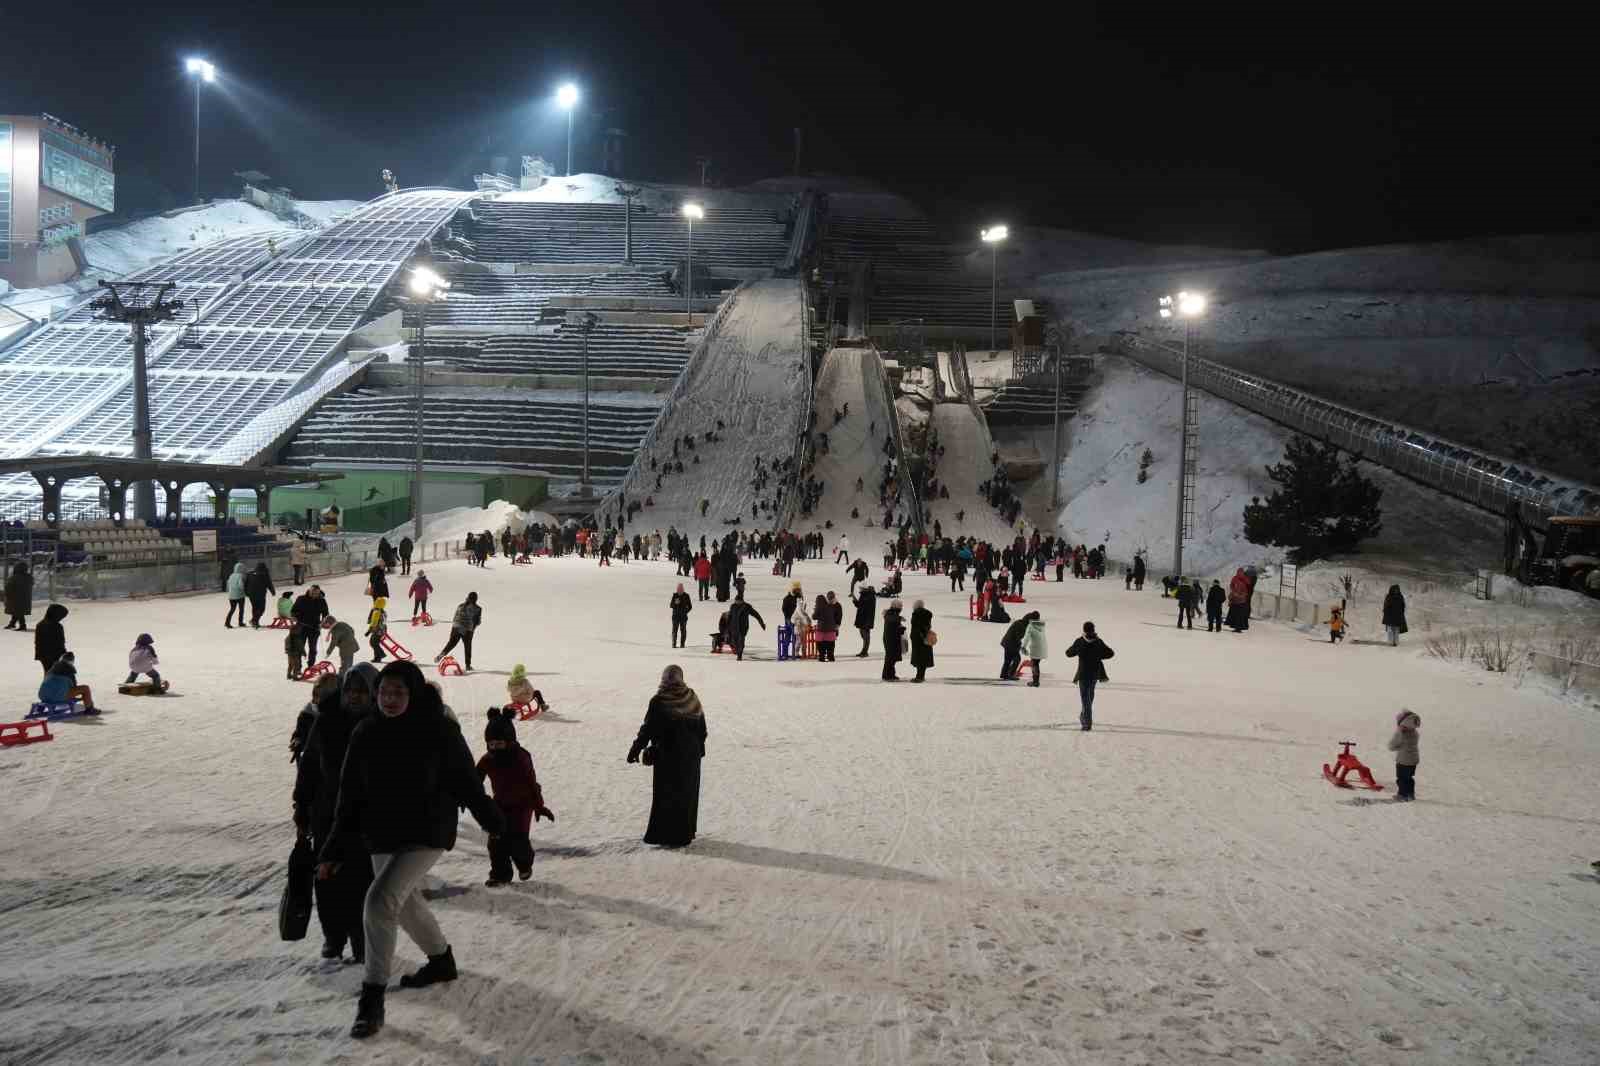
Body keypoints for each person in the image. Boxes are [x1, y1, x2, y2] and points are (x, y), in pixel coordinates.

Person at [294, 663, 380, 964]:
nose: (355, 697)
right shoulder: (327, 721)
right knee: (327, 881)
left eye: (362, 692)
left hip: (366, 820)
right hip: (327, 814)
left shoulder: (381, 725)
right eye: (350, 691)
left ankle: (360, 940)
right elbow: (308, 769)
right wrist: (301, 808)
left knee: (361, 883)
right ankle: (334, 936)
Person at [626, 664, 708, 848]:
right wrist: (700, 749)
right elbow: (702, 728)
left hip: (668, 755)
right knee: (686, 794)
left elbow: (647, 729)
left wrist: (635, 749)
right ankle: (684, 833)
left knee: (667, 795)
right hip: (691, 756)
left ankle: (664, 835)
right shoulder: (691, 697)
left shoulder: (659, 701)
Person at [478, 708, 555, 886]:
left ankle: (524, 864)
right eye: (492, 744)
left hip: (523, 805)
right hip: (500, 804)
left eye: (499, 744)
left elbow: (531, 784)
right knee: (496, 842)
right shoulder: (488, 759)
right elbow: (475, 778)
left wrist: (539, 806)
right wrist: (467, 795)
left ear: (509, 741)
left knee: (517, 841)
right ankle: (500, 875)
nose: (495, 748)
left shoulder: (521, 758)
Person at [1065, 622, 1113, 730]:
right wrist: (1098, 655)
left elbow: (1068, 653)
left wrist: (1078, 651)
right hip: (1095, 673)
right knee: (1089, 696)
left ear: (1084, 630)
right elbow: (1110, 653)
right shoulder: (1098, 642)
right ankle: (1084, 716)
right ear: (1093, 629)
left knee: (1085, 698)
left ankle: (1087, 722)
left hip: (1083, 673)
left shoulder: (1080, 641)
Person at [434, 592, 482, 671]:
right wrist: (472, 628)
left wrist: (455, 626)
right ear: (476, 599)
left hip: (456, 626)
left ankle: (442, 654)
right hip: (467, 629)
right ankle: (468, 665)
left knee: (451, 643)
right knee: (467, 647)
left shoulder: (460, 605)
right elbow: (477, 621)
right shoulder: (478, 608)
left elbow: (455, 616)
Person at [1388, 709, 1421, 801]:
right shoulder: (1414, 732)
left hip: (1403, 761)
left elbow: (1392, 746)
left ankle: (1402, 795)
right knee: (1409, 778)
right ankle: (1410, 794)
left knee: (1401, 779)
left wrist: (1398, 732)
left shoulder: (1402, 734)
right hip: (1413, 761)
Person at [293, 587, 329, 664]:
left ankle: (311, 665)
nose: (314, 595)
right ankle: (297, 667)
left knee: (313, 648)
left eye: (316, 594)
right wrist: (295, 617)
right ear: (309, 591)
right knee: (299, 648)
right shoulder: (301, 599)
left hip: (314, 628)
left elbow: (325, 614)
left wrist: (323, 623)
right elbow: (293, 610)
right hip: (301, 627)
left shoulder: (321, 601)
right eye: (312, 593)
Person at [727, 595, 766, 661]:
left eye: (738, 601)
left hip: (743, 627)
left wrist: (761, 623)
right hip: (734, 627)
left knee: (741, 641)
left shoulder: (746, 607)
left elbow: (756, 614)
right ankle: (738, 651)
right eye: (736, 601)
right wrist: (728, 626)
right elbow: (730, 616)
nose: (736, 602)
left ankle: (739, 655)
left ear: (741, 601)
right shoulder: (733, 606)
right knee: (734, 642)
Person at [1000, 611, 1036, 681]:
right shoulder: (1021, 625)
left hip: (1007, 642)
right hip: (1010, 643)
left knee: (1008, 660)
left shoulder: (1020, 623)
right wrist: (1020, 647)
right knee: (1017, 659)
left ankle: (1004, 674)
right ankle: (1010, 674)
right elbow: (1017, 637)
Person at [34, 603, 68, 675]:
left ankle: (47, 684)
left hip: (42, 654)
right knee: (54, 673)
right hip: (54, 654)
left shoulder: (40, 624)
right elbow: (60, 642)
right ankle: (51, 685)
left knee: (48, 672)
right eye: (61, 617)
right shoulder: (57, 626)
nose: (61, 619)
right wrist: (64, 653)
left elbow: (38, 641)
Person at [909, 599, 934, 683]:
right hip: (926, 638)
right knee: (924, 658)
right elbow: (927, 625)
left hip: (918, 639)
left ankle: (919, 677)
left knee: (919, 658)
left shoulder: (916, 614)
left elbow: (915, 626)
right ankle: (921, 676)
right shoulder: (927, 614)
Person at [245, 561, 276, 628]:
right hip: (260, 594)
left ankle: (255, 621)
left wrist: (246, 592)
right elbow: (269, 583)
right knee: (261, 609)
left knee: (255, 608)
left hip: (251, 594)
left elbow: (246, 584)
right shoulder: (264, 574)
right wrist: (272, 591)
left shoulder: (250, 574)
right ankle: (254, 620)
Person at [881, 600, 905, 681]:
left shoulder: (893, 613)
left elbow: (893, 626)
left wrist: (901, 629)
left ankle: (891, 674)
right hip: (890, 639)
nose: (901, 609)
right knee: (890, 658)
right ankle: (887, 675)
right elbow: (891, 620)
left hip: (892, 639)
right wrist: (899, 618)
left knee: (892, 658)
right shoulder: (890, 613)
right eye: (900, 607)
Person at [850, 584, 877, 658]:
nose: (860, 590)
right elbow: (859, 605)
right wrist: (854, 598)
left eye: (861, 588)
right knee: (863, 635)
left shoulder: (869, 596)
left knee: (865, 636)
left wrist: (856, 599)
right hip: (863, 618)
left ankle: (864, 651)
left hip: (866, 619)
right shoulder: (865, 595)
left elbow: (862, 605)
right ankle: (864, 651)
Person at [5, 561, 33, 631]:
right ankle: (12, 623)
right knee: (17, 611)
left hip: (15, 597)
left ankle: (23, 625)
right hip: (25, 598)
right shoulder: (29, 577)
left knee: (18, 612)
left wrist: (7, 595)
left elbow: (8, 587)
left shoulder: (14, 577)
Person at [1021, 614, 1048, 687]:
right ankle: (1036, 681)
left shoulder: (1031, 626)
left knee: (1034, 664)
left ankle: (1035, 682)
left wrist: (1023, 647)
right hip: (1043, 648)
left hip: (1035, 648)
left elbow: (1027, 638)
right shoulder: (1042, 626)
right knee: (1036, 664)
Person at [366, 597, 389, 663]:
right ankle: (377, 657)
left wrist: (369, 631)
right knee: (374, 643)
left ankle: (381, 654)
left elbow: (374, 623)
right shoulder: (383, 612)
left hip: (377, 631)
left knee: (373, 643)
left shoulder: (376, 612)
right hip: (382, 630)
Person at [224, 561, 247, 629]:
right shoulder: (240, 576)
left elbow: (228, 585)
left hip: (231, 596)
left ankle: (227, 622)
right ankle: (240, 622)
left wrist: (231, 591)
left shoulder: (231, 575)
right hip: (240, 595)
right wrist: (244, 590)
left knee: (232, 609)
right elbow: (241, 585)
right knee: (241, 609)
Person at [670, 583, 693, 649]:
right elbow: (671, 605)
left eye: (681, 589)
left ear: (683, 590)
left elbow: (690, 606)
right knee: (674, 630)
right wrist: (675, 603)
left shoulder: (686, 596)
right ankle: (674, 644)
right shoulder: (675, 595)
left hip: (683, 617)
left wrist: (685, 611)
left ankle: (682, 644)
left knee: (683, 631)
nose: (679, 591)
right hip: (675, 616)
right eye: (678, 590)